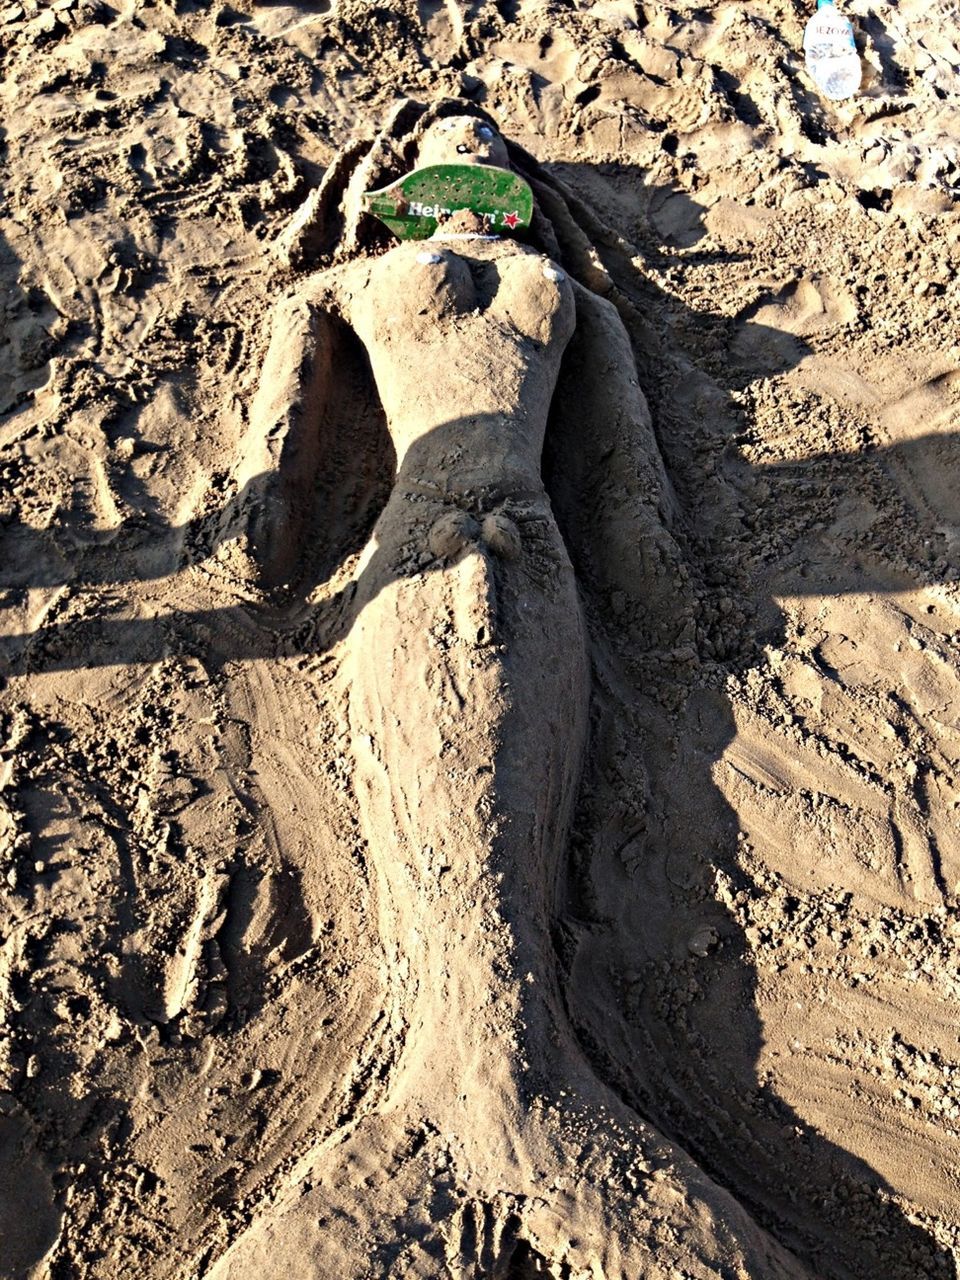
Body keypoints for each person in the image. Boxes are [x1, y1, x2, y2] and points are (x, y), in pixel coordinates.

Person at [212, 103, 803, 1280]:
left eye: (488, 129)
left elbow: (627, 479)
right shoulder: (342, 285)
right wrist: (260, 505)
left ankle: (522, 1076)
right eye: (447, 126)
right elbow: (264, 499)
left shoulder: (567, 292)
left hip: (535, 548)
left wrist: (659, 584)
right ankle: (459, 1078)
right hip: (419, 542)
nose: (471, 133)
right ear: (405, 170)